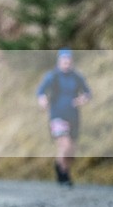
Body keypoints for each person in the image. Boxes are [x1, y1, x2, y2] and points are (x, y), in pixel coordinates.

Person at [36, 48, 91, 187]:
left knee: (71, 149)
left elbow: (87, 93)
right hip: (57, 115)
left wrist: (82, 99)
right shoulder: (52, 76)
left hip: (73, 116)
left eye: (68, 61)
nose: (66, 63)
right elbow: (41, 91)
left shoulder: (77, 77)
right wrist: (43, 100)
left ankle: (60, 166)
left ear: (72, 61)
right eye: (64, 61)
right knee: (64, 144)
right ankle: (64, 174)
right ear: (59, 61)